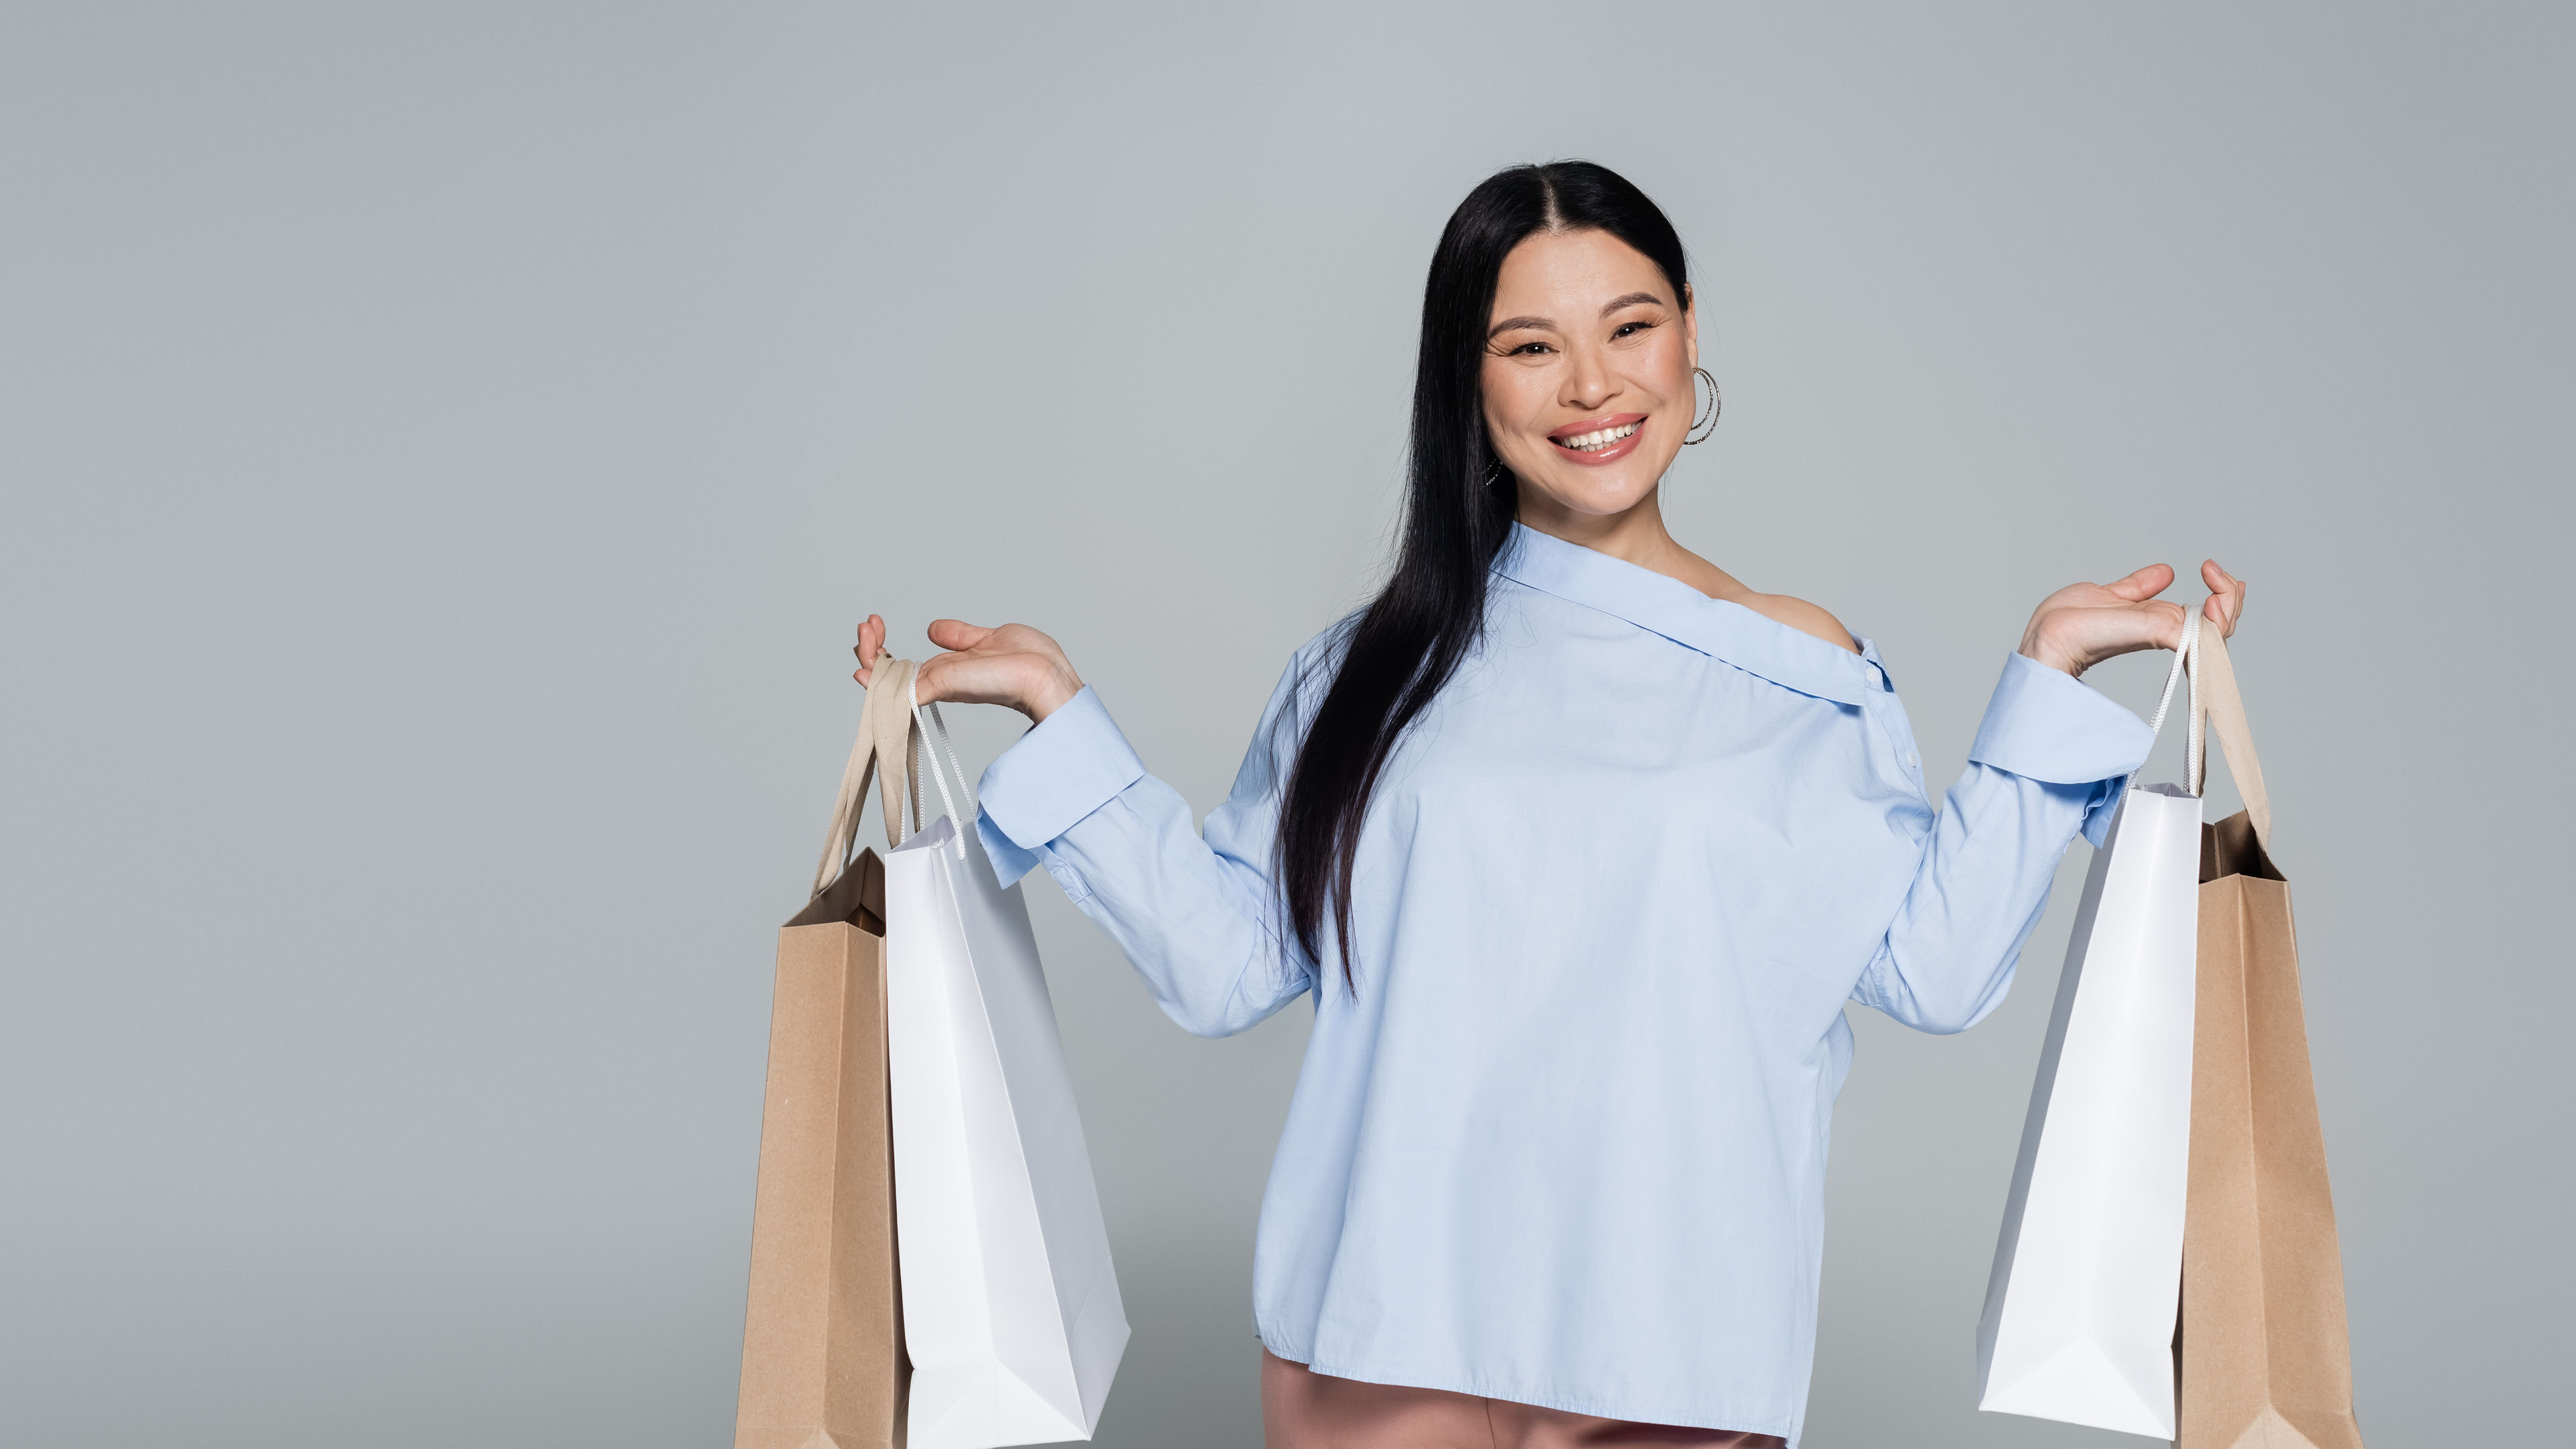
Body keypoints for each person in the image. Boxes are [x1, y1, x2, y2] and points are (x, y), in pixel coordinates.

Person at [852, 160, 2244, 1449]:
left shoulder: (1800, 665)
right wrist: (1058, 712)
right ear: (1468, 379)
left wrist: (2048, 689)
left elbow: (1931, 970)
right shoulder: (1365, 671)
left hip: (1677, 1339)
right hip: (1384, 1334)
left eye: (1629, 327)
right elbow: (1227, 964)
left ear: (1691, 333)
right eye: (1531, 346)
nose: (1592, 385)